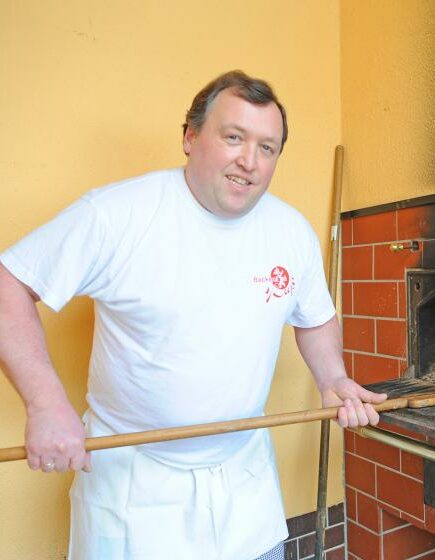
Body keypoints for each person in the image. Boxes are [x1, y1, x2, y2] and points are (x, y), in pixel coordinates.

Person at [0, 70, 387, 560]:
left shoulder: (290, 231)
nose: (249, 161)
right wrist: (45, 403)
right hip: (134, 489)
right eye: (233, 137)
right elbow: (7, 283)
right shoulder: (118, 214)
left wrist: (332, 378)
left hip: (243, 483)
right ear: (190, 136)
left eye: (267, 148)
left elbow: (313, 316)